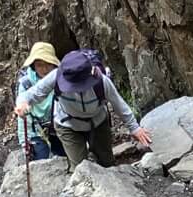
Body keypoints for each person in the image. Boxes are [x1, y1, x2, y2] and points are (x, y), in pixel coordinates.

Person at [14, 48, 152, 169]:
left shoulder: (101, 81)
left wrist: (134, 128)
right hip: (67, 125)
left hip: (98, 122)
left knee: (107, 163)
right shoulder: (56, 76)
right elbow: (31, 94)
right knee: (80, 168)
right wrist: (22, 103)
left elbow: (118, 104)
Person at [15, 42, 66, 162]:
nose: (44, 69)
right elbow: (22, 115)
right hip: (36, 131)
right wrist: (24, 142)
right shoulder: (26, 84)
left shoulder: (61, 79)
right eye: (39, 65)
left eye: (48, 64)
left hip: (59, 125)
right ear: (33, 66)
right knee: (40, 163)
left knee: (66, 160)